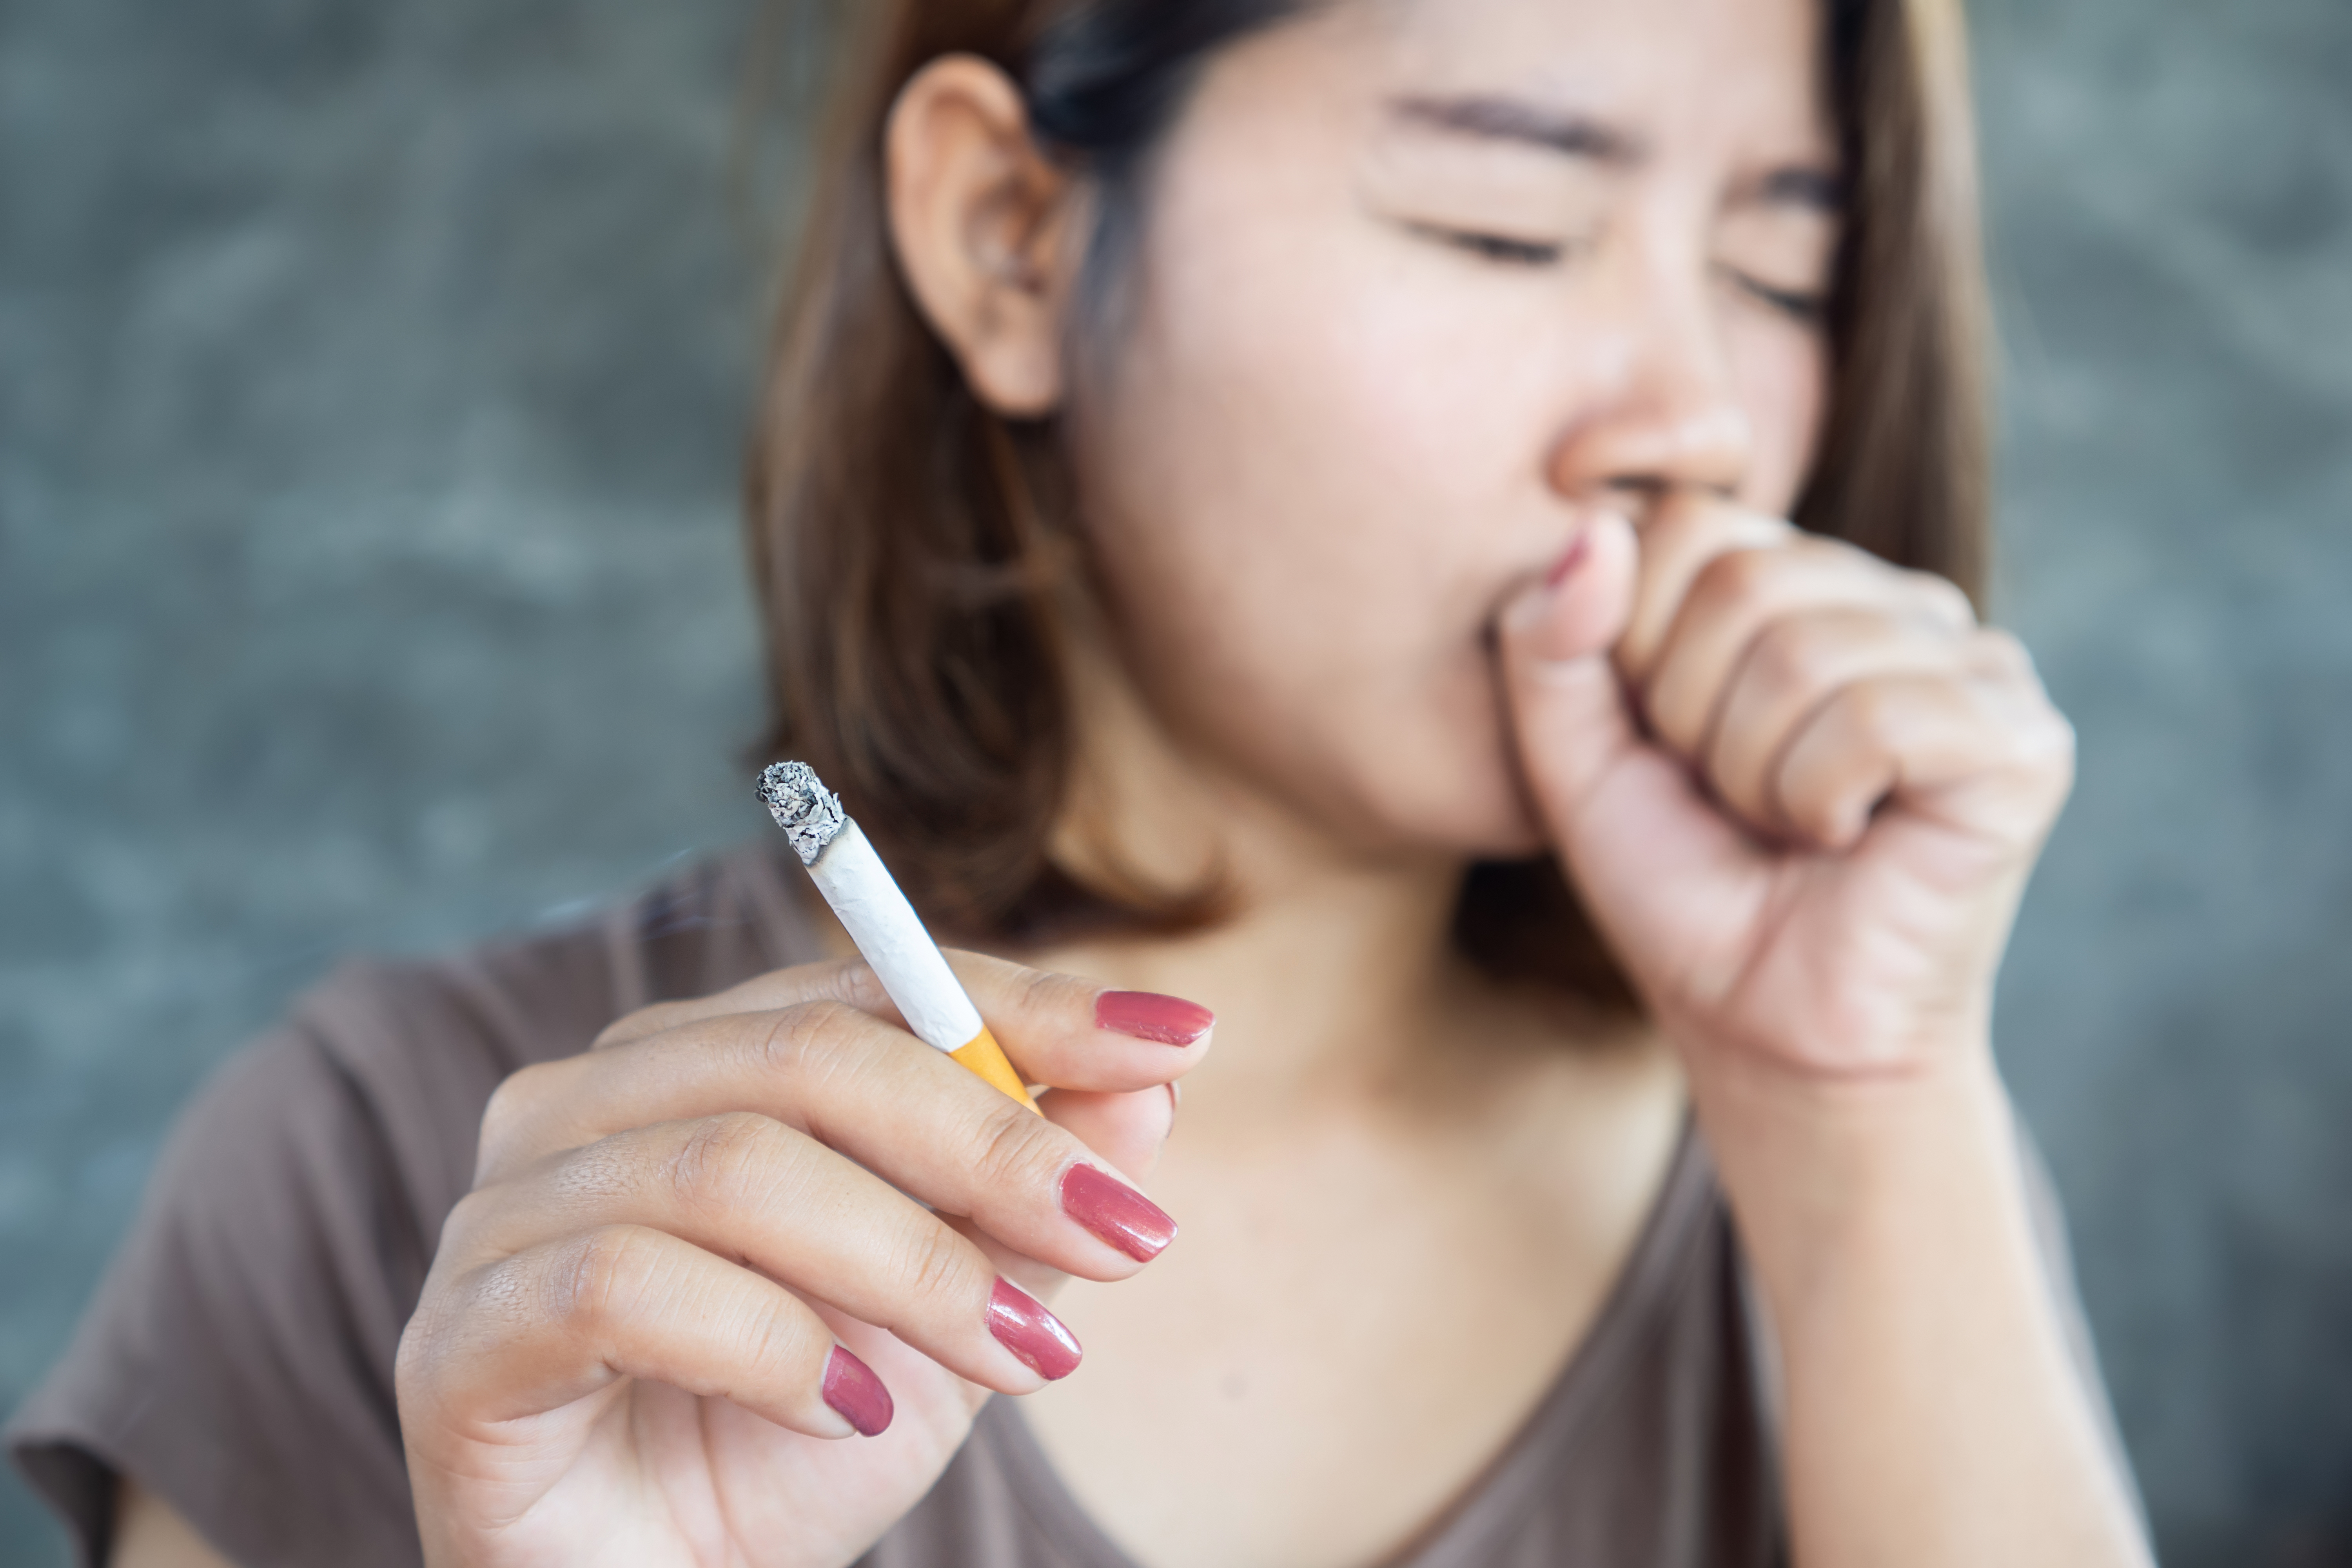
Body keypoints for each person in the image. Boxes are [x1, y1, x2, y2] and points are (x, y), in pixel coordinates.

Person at [9, 0, 2158, 1563]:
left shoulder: (1864, 1199)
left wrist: (1868, 1120)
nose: (1690, 414)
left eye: (1785, 264)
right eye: (1507, 223)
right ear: (1010, 238)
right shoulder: (385, 1181)